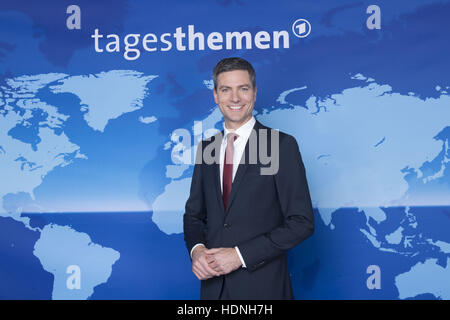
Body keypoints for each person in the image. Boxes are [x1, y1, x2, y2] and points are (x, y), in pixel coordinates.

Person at [183, 57, 314, 300]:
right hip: (214, 290)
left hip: (264, 289)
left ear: (254, 93)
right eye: (226, 90)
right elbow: (193, 216)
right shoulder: (206, 149)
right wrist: (197, 251)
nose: (234, 98)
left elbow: (301, 222)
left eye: (243, 89)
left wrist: (239, 255)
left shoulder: (279, 145)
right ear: (215, 95)